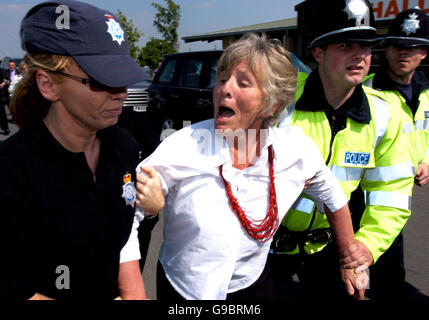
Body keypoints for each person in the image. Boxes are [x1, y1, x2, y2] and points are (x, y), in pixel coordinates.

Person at [133, 33, 368, 300]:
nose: (225, 89)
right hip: (186, 289)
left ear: (272, 104)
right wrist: (131, 293)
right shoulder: (183, 146)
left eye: (242, 83)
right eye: (222, 80)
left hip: (253, 285)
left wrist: (349, 260)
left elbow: (333, 196)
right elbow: (125, 214)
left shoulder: (294, 150)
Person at [0, 0, 151, 300]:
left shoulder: (122, 146)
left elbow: (120, 244)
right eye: (100, 80)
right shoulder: (10, 171)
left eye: (121, 77)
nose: (120, 93)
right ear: (48, 85)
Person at [270, 0, 414, 300]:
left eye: (366, 46)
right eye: (346, 45)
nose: (360, 55)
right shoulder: (279, 104)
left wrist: (368, 244)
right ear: (318, 52)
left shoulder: (385, 115)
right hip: (266, 245)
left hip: (331, 245)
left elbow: (392, 191)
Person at [363, 7, 429, 300]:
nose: (404, 53)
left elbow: (424, 135)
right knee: (357, 276)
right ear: (386, 50)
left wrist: (426, 160)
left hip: (396, 204)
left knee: (390, 277)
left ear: (424, 53)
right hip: (360, 201)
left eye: (413, 47)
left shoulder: (426, 93)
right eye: (397, 46)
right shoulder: (365, 91)